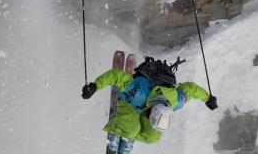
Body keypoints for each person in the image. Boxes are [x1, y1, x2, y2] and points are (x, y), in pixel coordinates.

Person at [81, 57, 218, 147]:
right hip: (130, 102)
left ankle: (128, 135)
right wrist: (95, 86)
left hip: (145, 106)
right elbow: (116, 75)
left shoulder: (175, 102)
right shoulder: (137, 92)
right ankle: (122, 130)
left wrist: (207, 99)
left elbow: (191, 89)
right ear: (150, 114)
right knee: (131, 128)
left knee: (153, 137)